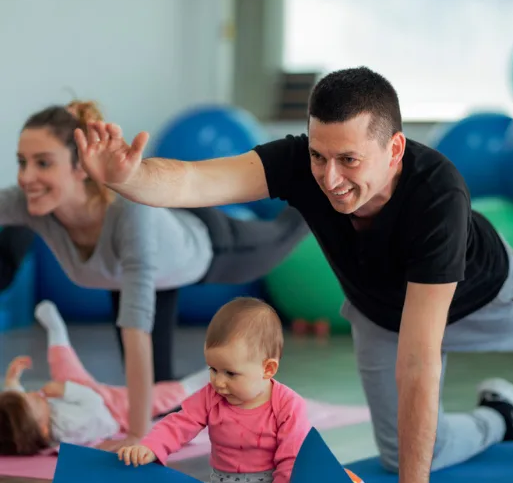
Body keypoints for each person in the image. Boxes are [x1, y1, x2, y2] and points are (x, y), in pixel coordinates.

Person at [74, 66, 513, 483]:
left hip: (490, 296)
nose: (330, 177)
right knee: (404, 454)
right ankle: (503, 419)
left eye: (349, 160)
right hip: (380, 313)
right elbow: (198, 181)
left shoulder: (437, 194)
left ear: (394, 149)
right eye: (321, 156)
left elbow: (420, 361)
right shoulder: (303, 163)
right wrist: (127, 177)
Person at [0, 100, 309, 452]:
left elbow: (136, 334)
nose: (26, 177)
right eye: (22, 162)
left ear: (81, 167)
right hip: (134, 277)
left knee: (287, 231)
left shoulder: (129, 216)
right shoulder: (32, 203)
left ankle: (316, 186)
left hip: (207, 246)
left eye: (43, 163)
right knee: (160, 390)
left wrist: (136, 437)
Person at [118, 297, 311, 483]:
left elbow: (292, 461)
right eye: (213, 369)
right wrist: (150, 446)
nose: (218, 382)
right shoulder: (211, 396)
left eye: (230, 373)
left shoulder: (288, 405)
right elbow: (180, 423)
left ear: (267, 369)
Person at [0, 300, 211, 455]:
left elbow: (16, 412)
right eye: (32, 399)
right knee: (163, 396)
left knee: (63, 364)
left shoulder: (34, 423)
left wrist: (11, 381)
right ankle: (207, 377)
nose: (33, 393)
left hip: (81, 393)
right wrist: (67, 390)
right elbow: (94, 405)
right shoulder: (68, 427)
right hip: (113, 409)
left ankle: (57, 331)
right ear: (44, 429)